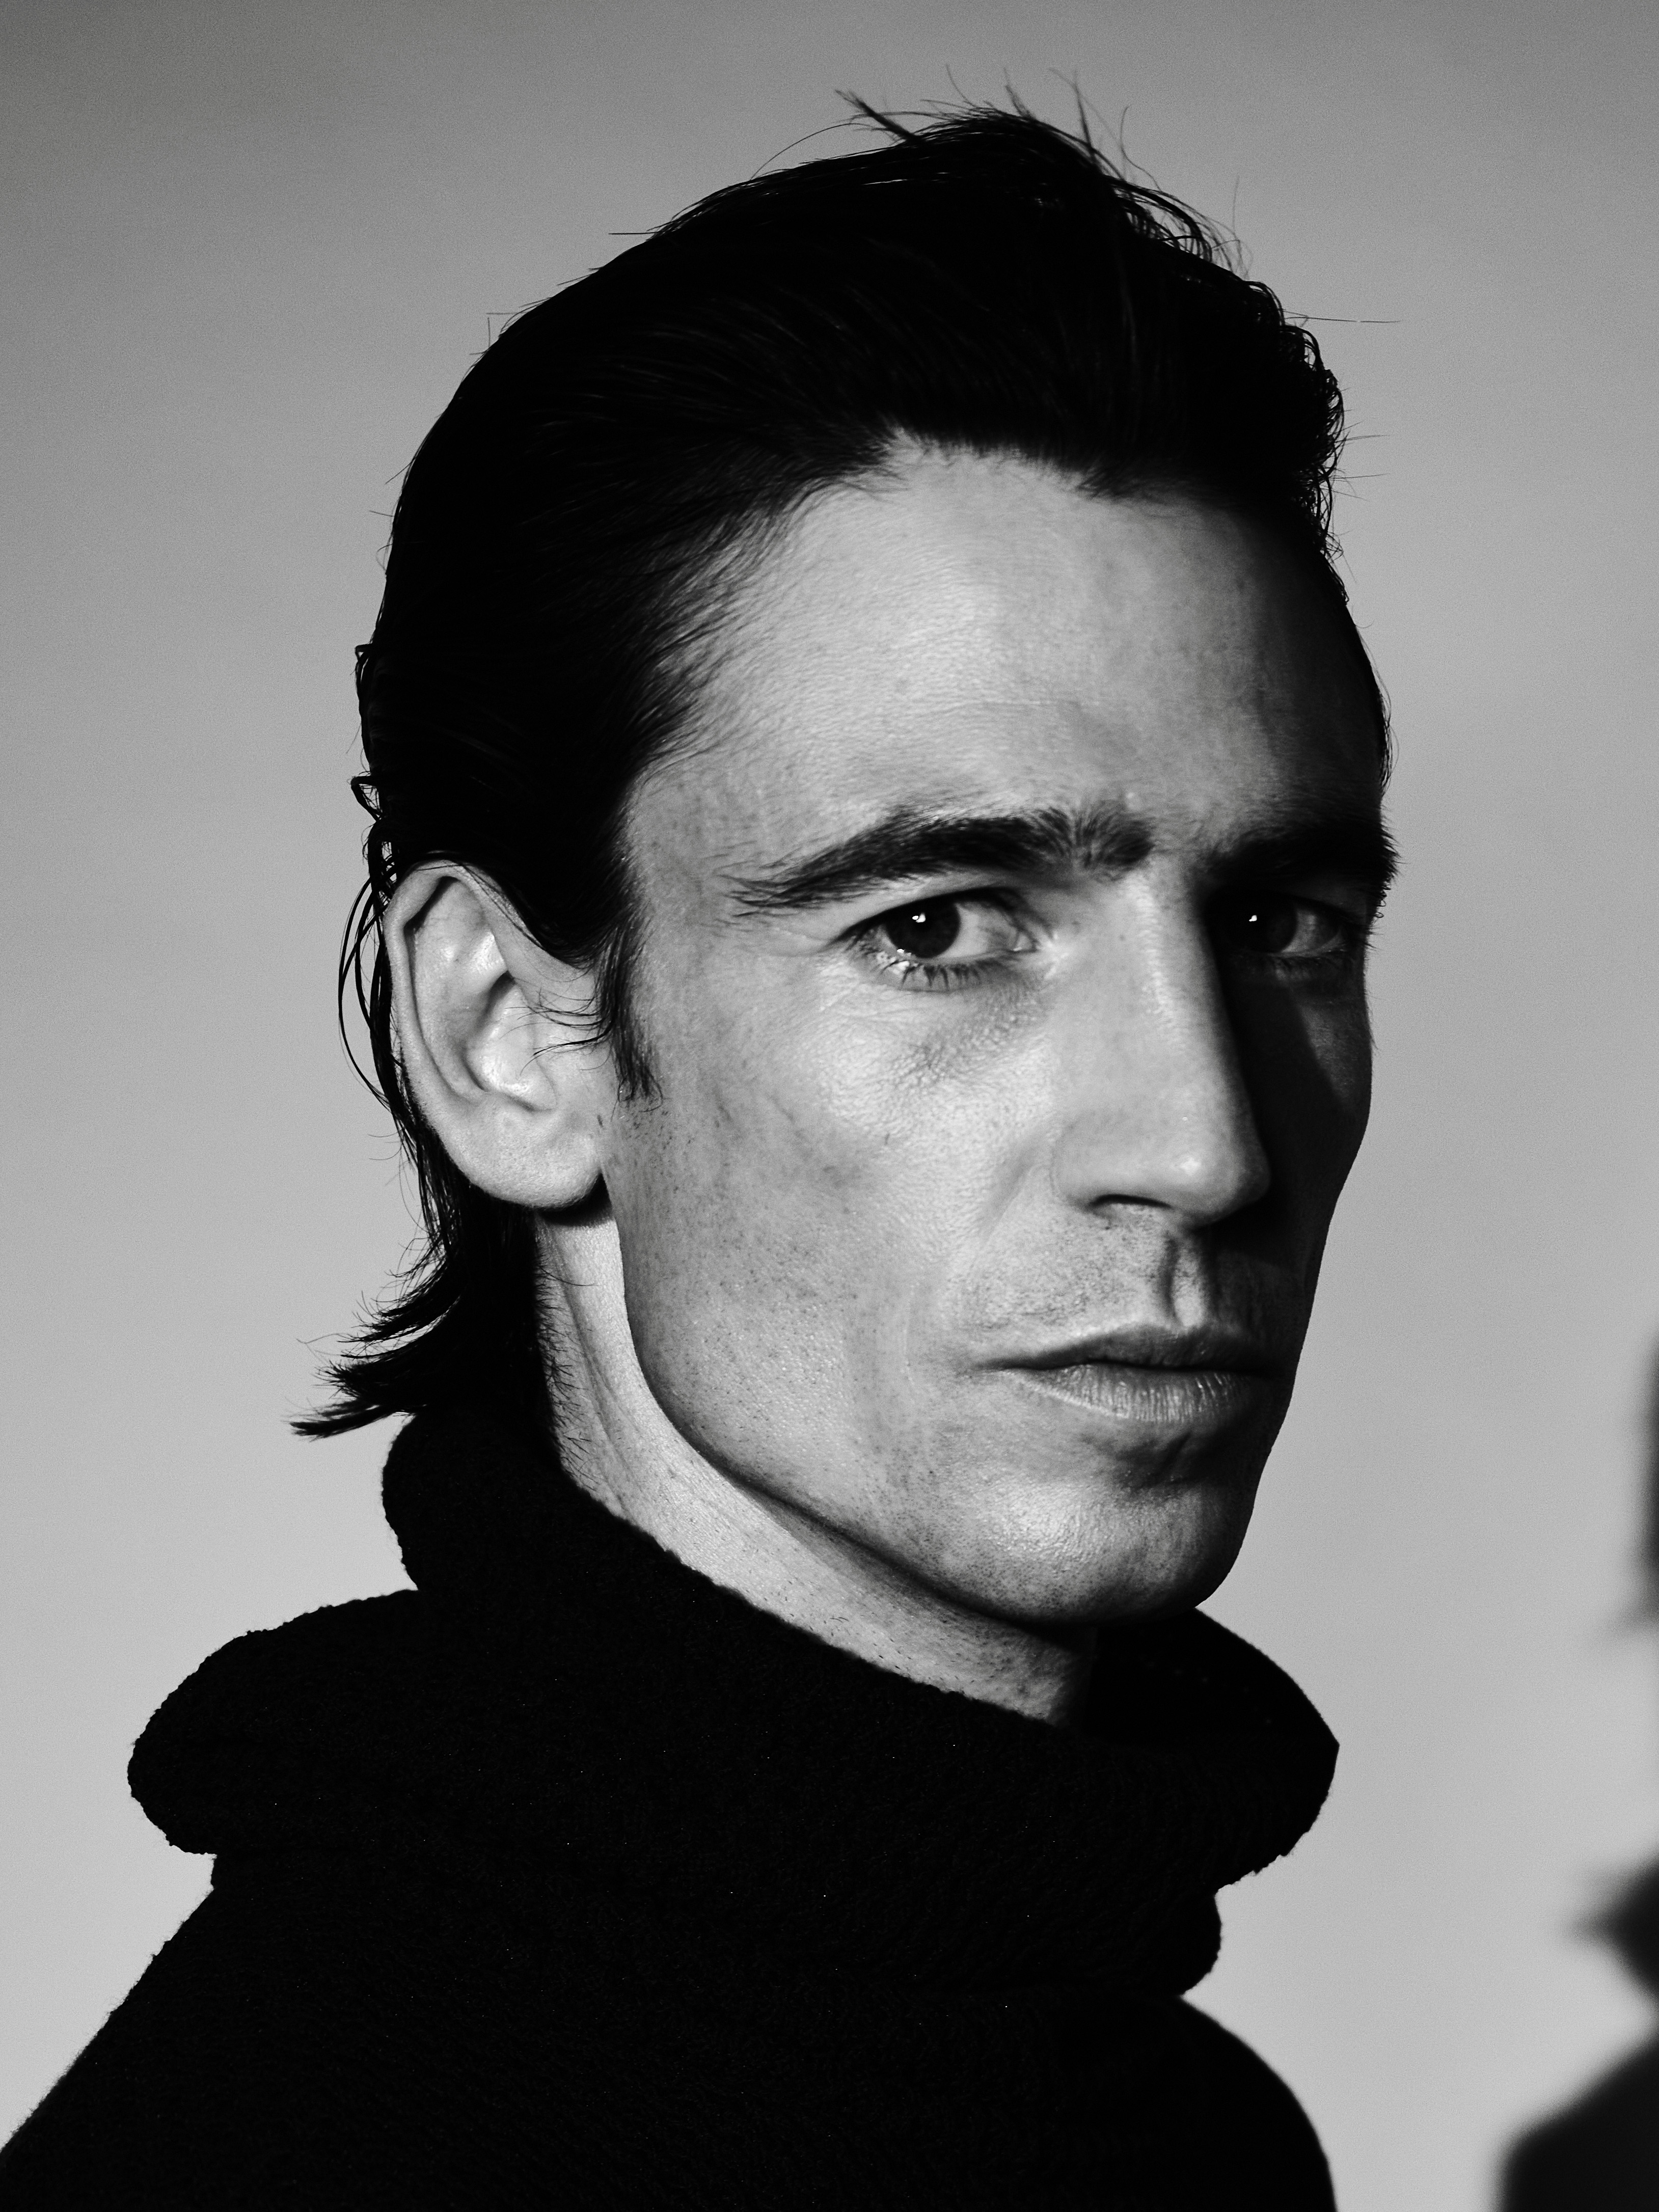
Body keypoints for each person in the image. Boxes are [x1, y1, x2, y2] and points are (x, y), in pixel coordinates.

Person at [0, 102, 1395, 2207]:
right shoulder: (306, 2150)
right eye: (938, 929)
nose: (1203, 1147)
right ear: (511, 1037)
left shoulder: (1178, 2134)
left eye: (1278, 920)